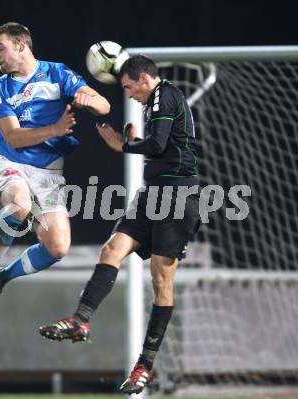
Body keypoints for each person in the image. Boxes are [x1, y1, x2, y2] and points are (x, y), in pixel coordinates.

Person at [39, 55, 201, 395]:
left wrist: (123, 145)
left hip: (177, 195)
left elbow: (156, 145)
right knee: (111, 248)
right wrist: (134, 144)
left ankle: (145, 365)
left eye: (128, 87)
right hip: (152, 194)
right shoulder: (155, 101)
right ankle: (80, 320)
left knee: (161, 280)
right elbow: (160, 145)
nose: (127, 94)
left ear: (143, 78)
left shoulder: (163, 94)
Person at [0, 22, 110, 311]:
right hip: (12, 164)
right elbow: (13, 137)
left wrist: (88, 99)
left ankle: (2, 279)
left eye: (0, 49)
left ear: (21, 45)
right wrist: (56, 129)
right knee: (19, 205)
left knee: (58, 247)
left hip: (49, 175)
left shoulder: (57, 74)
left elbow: (104, 106)